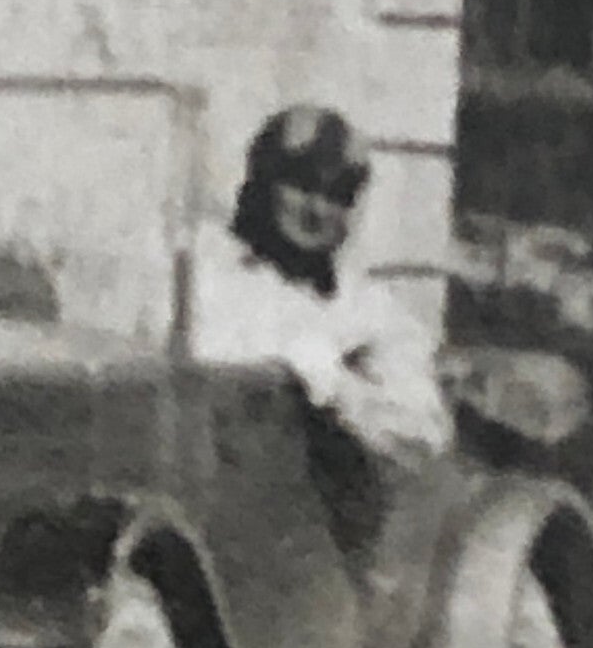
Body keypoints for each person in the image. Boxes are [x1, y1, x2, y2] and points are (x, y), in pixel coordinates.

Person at [192, 103, 454, 461]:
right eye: (300, 185)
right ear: (262, 181)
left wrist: (339, 387)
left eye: (338, 196)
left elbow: (422, 435)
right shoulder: (209, 274)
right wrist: (316, 356)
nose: (317, 210)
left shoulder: (365, 305)